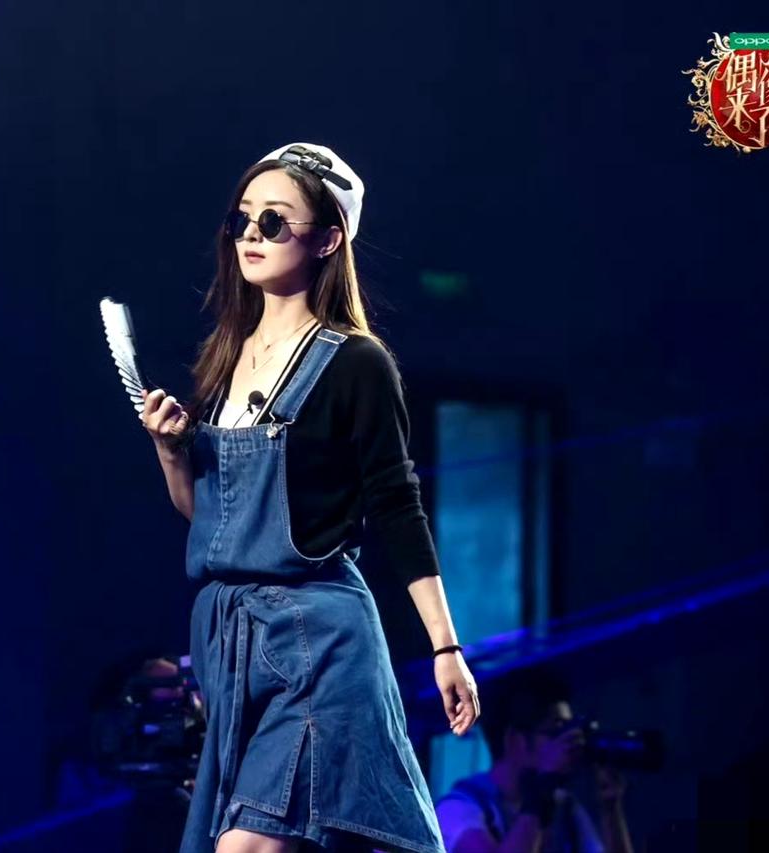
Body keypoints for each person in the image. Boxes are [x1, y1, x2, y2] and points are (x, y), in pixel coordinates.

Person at [139, 142, 478, 853]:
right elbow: (216, 520)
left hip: (317, 642)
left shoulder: (356, 362)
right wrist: (171, 452)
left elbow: (397, 503)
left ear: (327, 240)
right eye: (242, 219)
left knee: (250, 845)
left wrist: (445, 646)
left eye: (275, 221)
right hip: (233, 644)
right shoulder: (227, 355)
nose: (252, 235)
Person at [433, 667, 634, 853]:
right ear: (515, 741)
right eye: (557, 730)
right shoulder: (459, 808)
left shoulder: (565, 808)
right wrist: (544, 786)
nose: (569, 743)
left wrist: (611, 809)